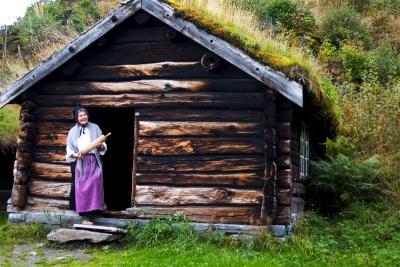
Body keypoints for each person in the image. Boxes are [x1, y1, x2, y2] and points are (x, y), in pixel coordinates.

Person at [66, 106, 107, 225]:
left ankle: (95, 210)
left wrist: (101, 146)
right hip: (81, 162)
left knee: (95, 183)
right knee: (82, 187)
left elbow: (103, 144)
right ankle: (85, 216)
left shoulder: (95, 127)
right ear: (76, 118)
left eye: (85, 115)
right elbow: (69, 150)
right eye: (80, 115)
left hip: (94, 161)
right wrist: (76, 154)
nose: (83, 117)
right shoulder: (72, 132)